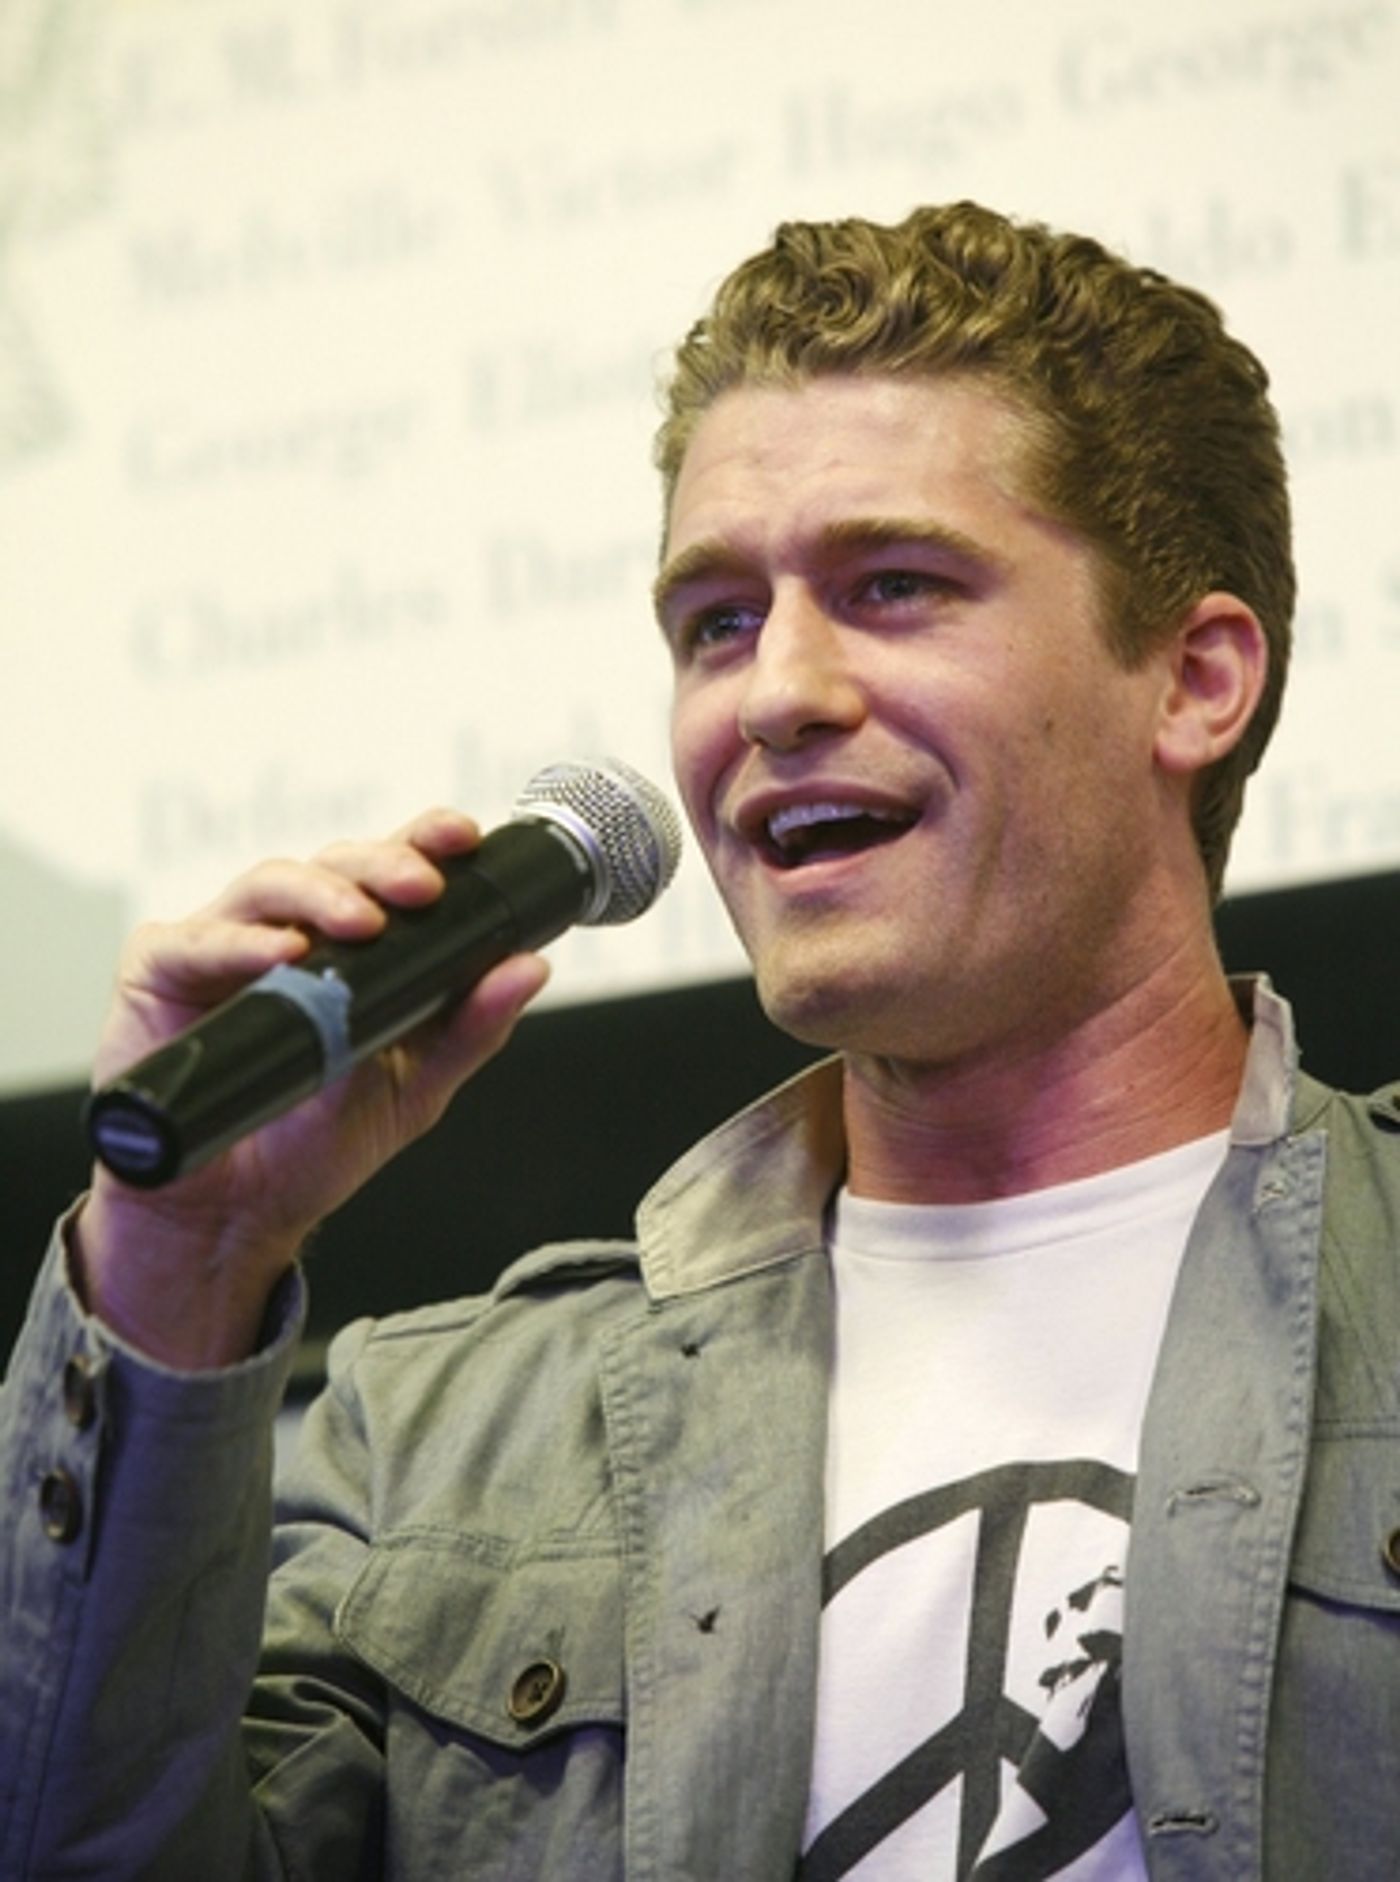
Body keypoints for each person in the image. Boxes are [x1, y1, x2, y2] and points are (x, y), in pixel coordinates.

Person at [2, 200, 1398, 1881]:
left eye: (893, 586)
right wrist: (184, 1255)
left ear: (1194, 680)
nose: (774, 693)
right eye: (718, 620)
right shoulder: (439, 1443)